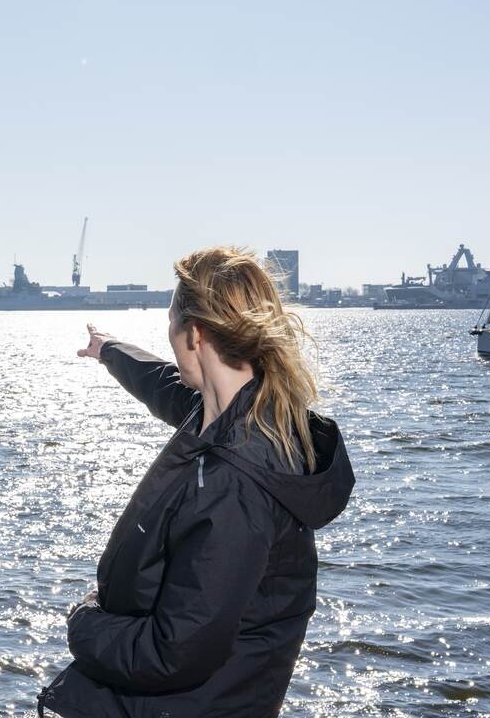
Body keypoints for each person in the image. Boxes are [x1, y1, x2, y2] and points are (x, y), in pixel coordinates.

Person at [38, 246, 355, 718]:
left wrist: (83, 621)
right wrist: (109, 350)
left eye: (170, 324)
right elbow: (160, 382)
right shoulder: (241, 412)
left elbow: (174, 653)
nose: (168, 338)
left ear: (196, 334)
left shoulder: (235, 481)